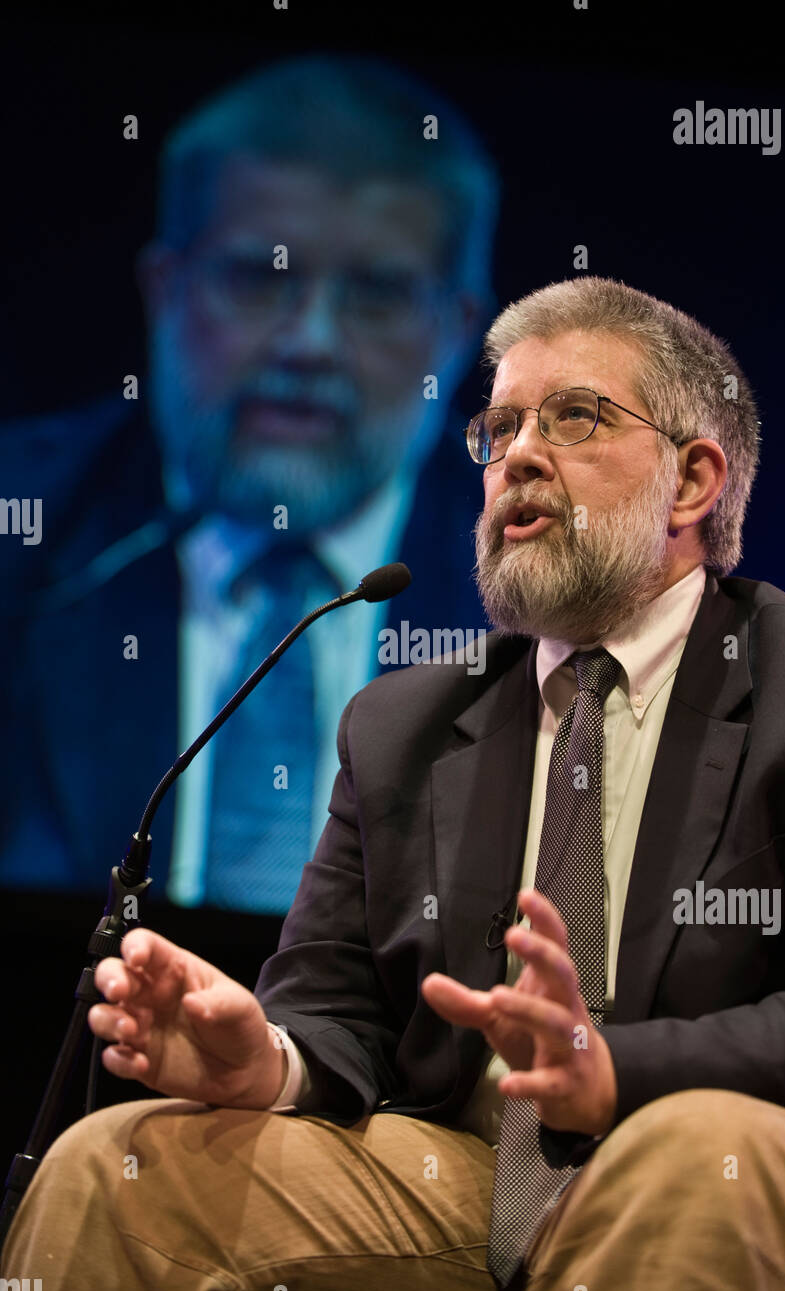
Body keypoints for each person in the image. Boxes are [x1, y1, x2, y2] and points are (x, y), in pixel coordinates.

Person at [4, 276, 785, 1291]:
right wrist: (265, 1065)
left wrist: (617, 1070)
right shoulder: (402, 724)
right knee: (121, 1164)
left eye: (573, 416)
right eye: (498, 428)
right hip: (461, 1184)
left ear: (690, 483)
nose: (518, 458)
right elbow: (334, 1013)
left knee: (689, 1153)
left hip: (736, 1158)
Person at [0, 53, 496, 912]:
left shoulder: (557, 597)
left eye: (375, 294)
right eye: (260, 278)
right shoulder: (26, 537)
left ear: (455, 333)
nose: (308, 342)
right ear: (164, 291)